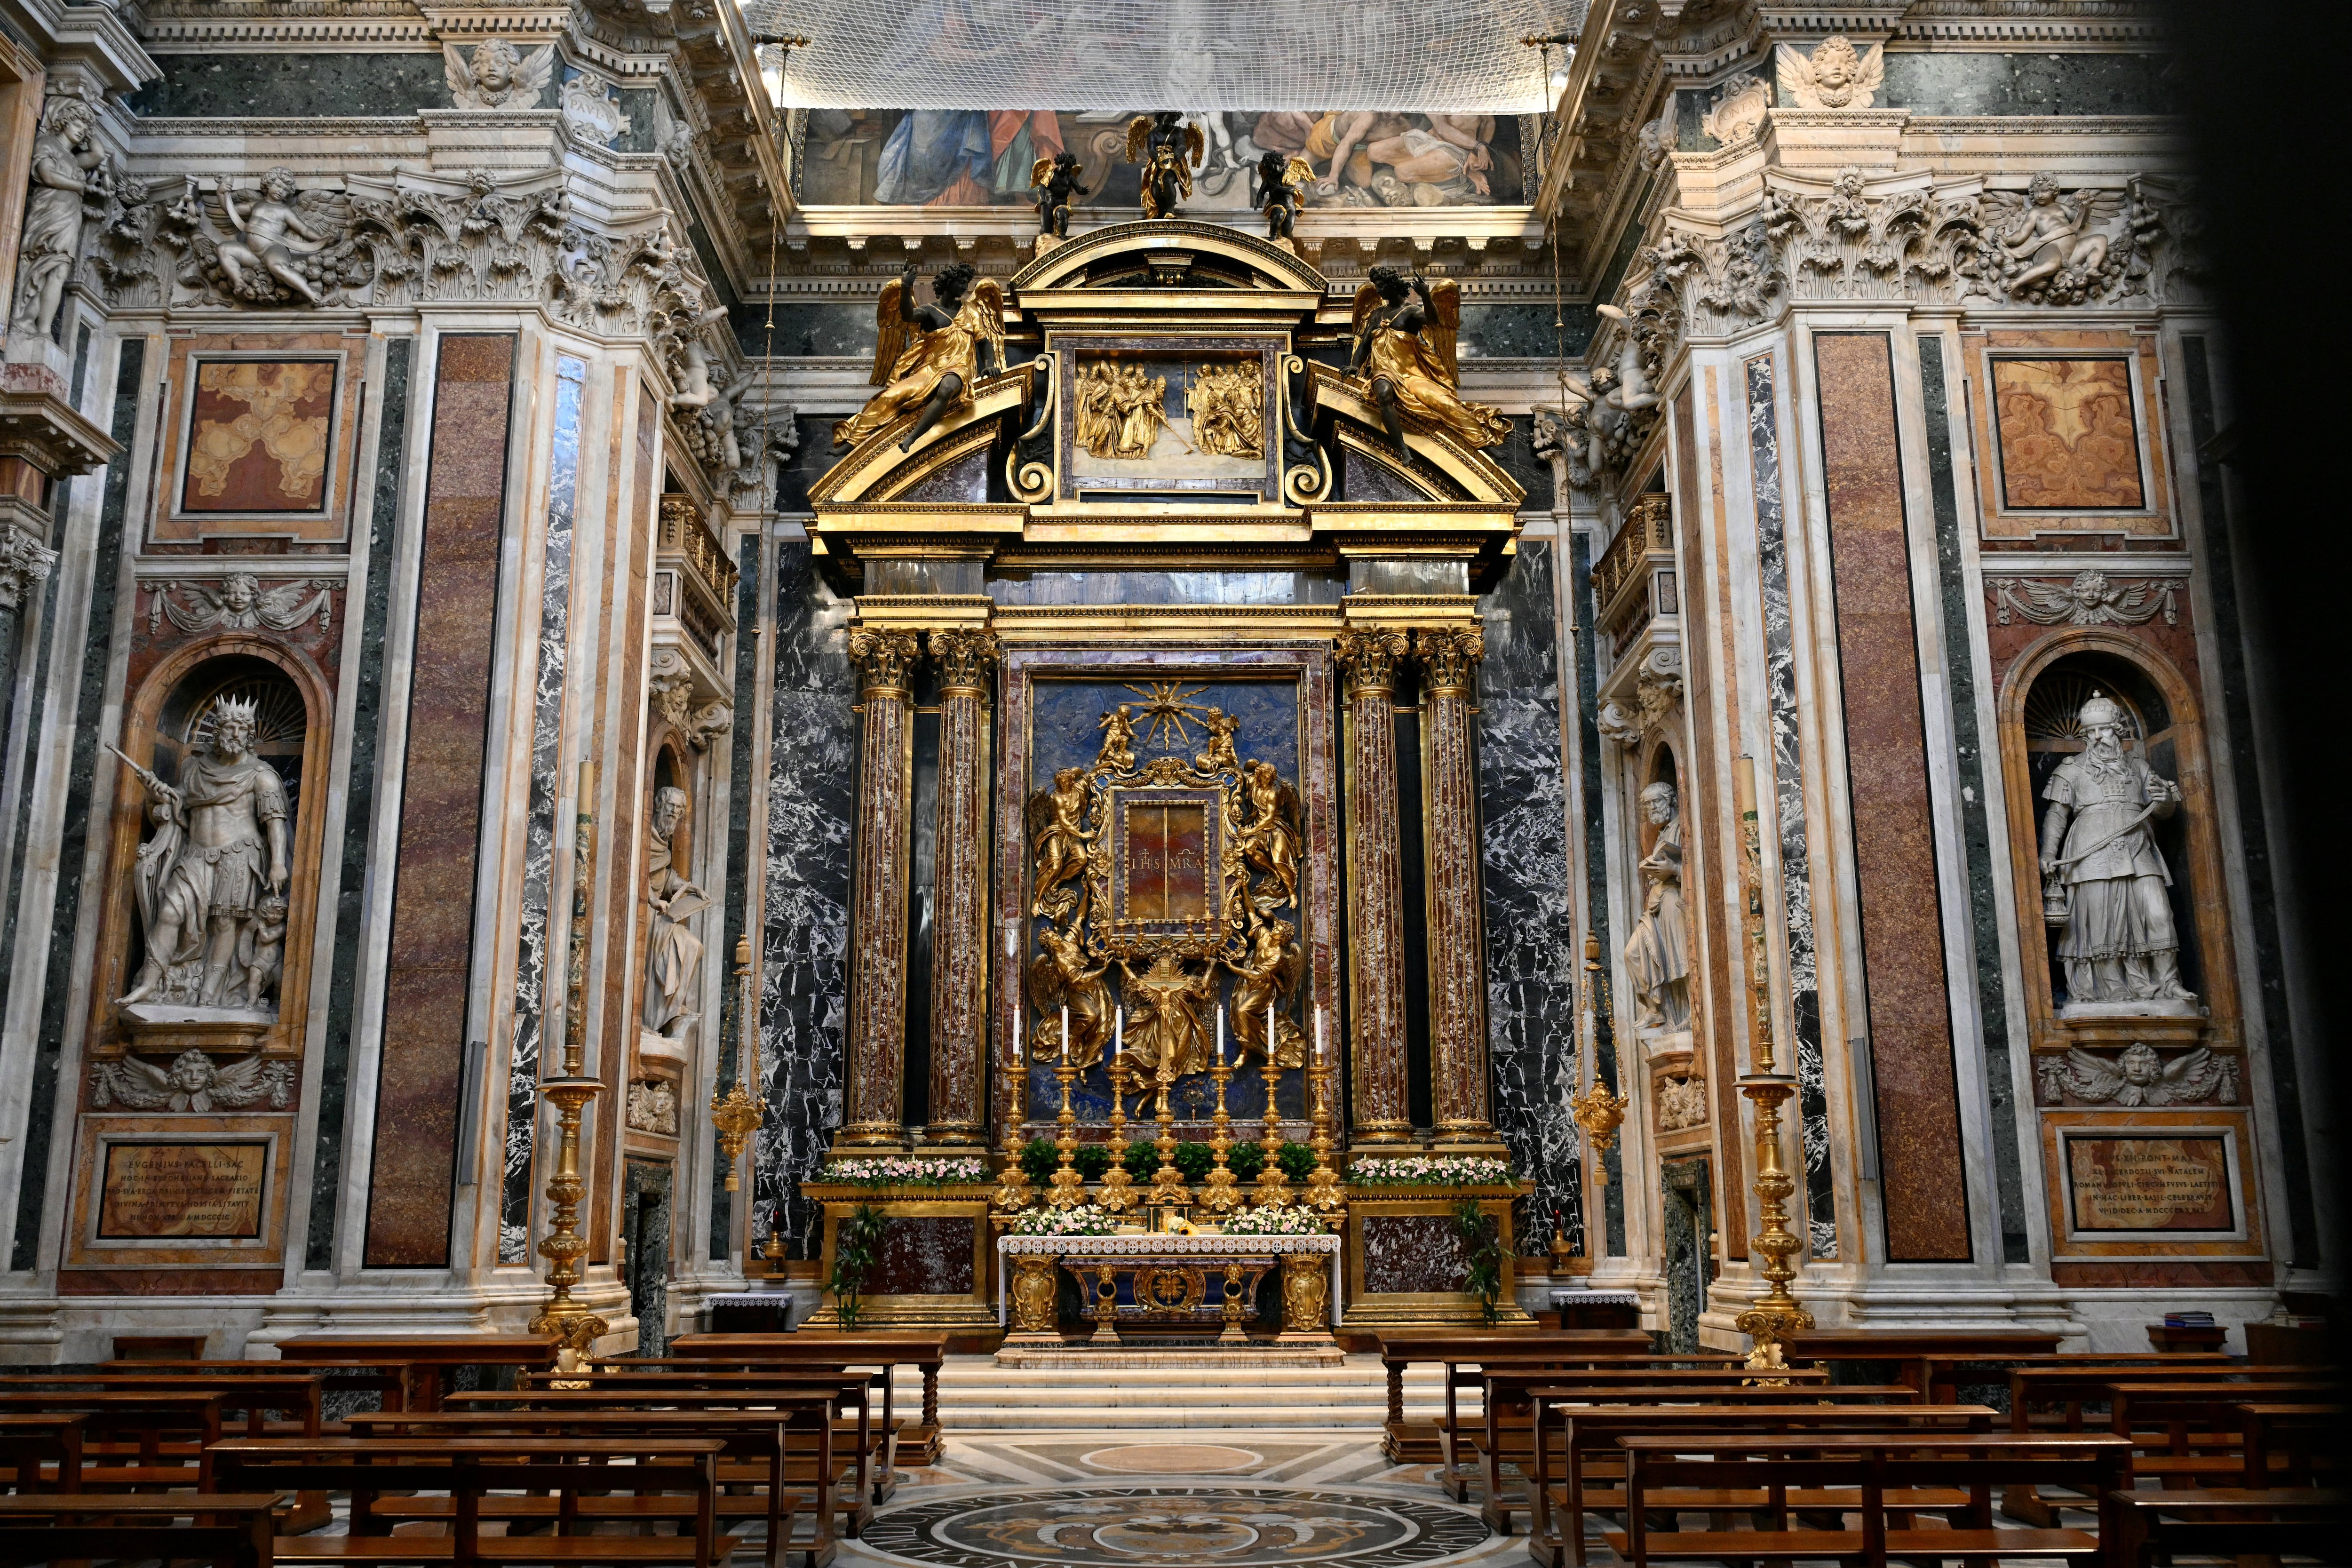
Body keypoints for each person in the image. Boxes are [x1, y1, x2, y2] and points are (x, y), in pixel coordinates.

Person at [119, 695, 290, 1010]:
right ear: (218, 732)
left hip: (240, 855)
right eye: (229, 727)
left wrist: (278, 862)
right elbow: (177, 804)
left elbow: (275, 823)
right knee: (170, 913)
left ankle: (212, 994)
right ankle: (149, 983)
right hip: (196, 854)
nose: (235, 734)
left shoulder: (261, 775)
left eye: (241, 729)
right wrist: (159, 793)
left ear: (250, 735)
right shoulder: (194, 768)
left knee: (224, 924)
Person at [2039, 693, 2195, 1006]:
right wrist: (2048, 853)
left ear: (2117, 732)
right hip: (2090, 850)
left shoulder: (2139, 766)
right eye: (2092, 732)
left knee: (2158, 913)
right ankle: (2110, 989)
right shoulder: (2070, 769)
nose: (2098, 738)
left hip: (2138, 846)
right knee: (2101, 919)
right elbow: (2057, 815)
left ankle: (2168, 983)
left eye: (2105, 730)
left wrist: (2164, 800)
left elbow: (2162, 810)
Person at [1622, 781, 1691, 1034]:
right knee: (1632, 954)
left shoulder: (1685, 827)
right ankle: (1655, 1010)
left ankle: (1693, 1012)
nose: (1652, 808)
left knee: (1680, 959)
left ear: (1671, 800)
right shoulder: (1663, 834)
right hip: (1656, 906)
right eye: (1647, 804)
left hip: (1674, 901)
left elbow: (1705, 871)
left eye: (1656, 802)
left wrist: (1674, 870)